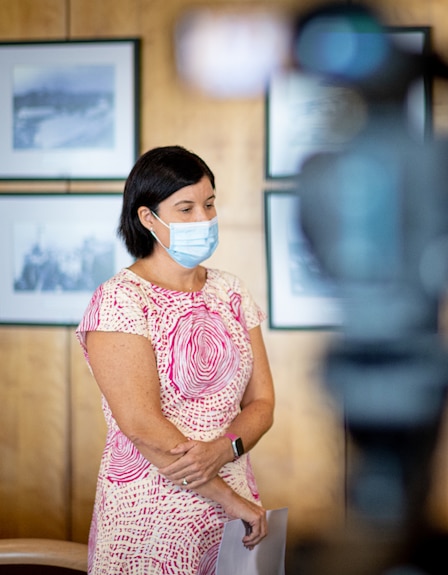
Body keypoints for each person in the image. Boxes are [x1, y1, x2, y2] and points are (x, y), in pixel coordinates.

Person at [76, 145, 275, 574]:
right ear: (148, 218)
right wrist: (229, 497)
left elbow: (262, 403)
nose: (203, 219)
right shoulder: (120, 299)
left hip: (236, 515)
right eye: (185, 209)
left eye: (209, 204)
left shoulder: (231, 290)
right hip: (151, 515)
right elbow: (142, 426)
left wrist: (225, 450)